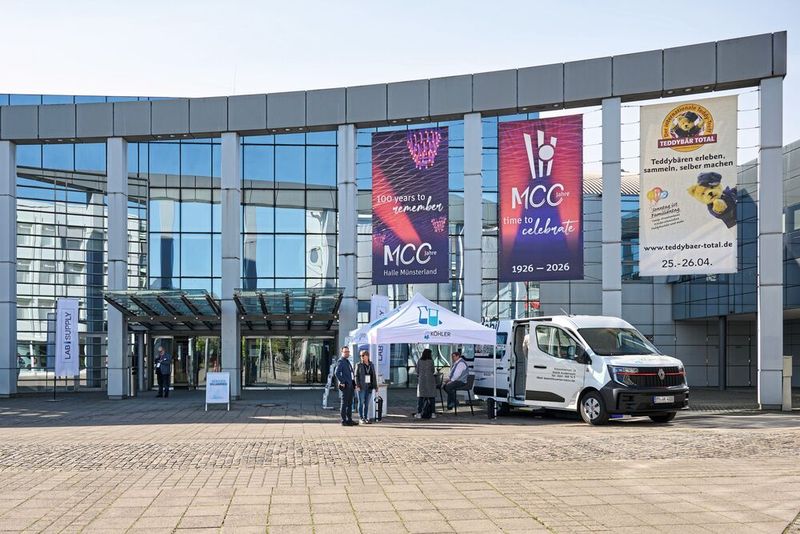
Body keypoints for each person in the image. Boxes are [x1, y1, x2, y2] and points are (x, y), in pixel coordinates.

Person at [334, 346, 357, 426]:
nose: (347, 353)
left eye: (348, 352)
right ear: (342, 352)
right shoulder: (341, 361)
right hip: (346, 386)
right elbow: (336, 373)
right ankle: (343, 420)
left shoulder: (347, 361)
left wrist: (354, 383)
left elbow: (351, 374)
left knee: (350, 403)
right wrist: (342, 381)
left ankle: (349, 419)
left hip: (351, 385)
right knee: (344, 403)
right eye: (345, 352)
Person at [355, 350, 378, 424]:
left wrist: (375, 386)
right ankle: (361, 418)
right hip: (361, 387)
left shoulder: (371, 364)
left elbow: (374, 376)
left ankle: (366, 417)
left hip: (369, 386)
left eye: (363, 355)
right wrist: (357, 385)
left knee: (367, 403)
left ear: (367, 356)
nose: (361, 357)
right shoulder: (358, 365)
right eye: (360, 356)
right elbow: (356, 376)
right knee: (361, 402)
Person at [414, 348, 436, 419]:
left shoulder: (419, 361)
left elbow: (417, 371)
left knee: (421, 397)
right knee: (432, 397)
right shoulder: (431, 361)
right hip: (430, 381)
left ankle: (419, 413)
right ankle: (433, 413)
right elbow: (433, 370)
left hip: (422, 381)